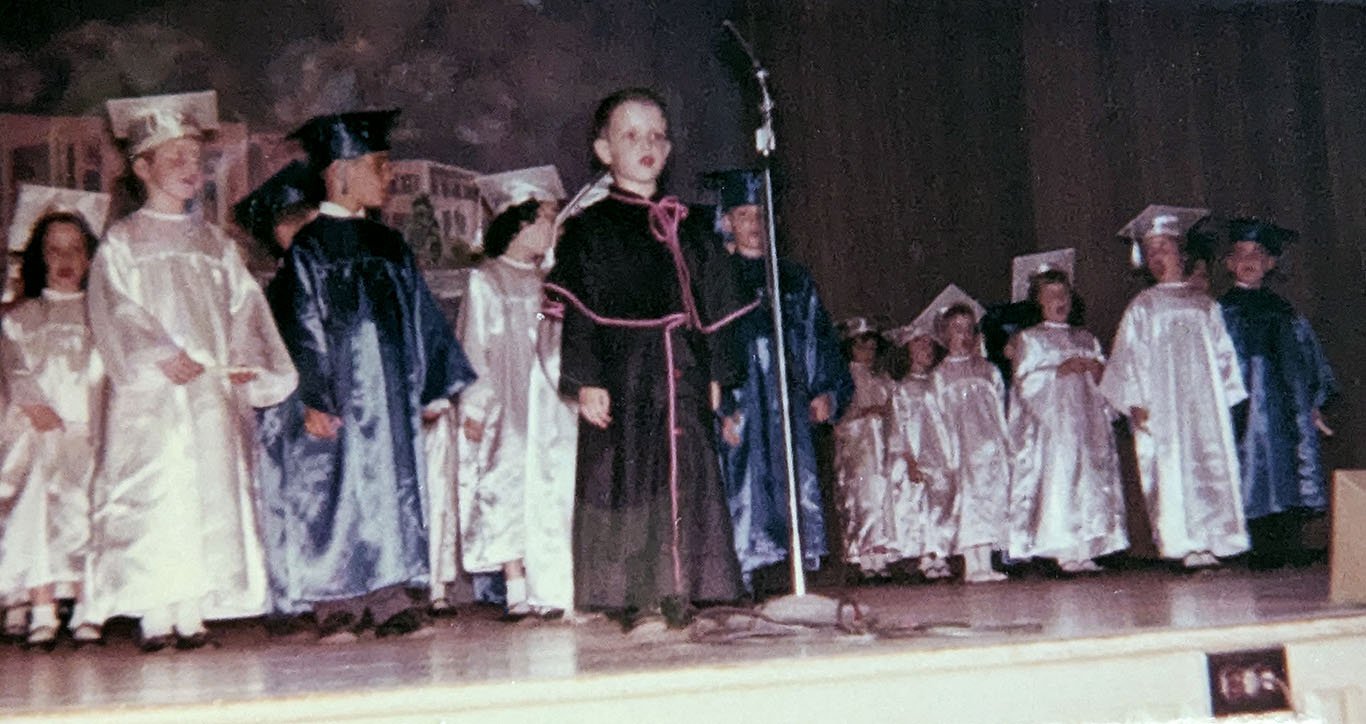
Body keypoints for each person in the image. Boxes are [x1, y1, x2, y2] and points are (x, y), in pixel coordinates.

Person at [82, 90, 299, 651]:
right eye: (172, 158)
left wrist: (248, 361)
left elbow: (244, 306)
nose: (188, 169)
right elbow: (115, 307)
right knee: (156, 490)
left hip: (206, 388)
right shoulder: (124, 241)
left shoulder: (214, 243)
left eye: (194, 159)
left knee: (206, 488)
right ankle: (155, 609)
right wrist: (157, 351)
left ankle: (192, 609)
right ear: (142, 166)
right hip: (152, 393)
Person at [543, 88, 750, 630]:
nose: (647, 145)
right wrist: (586, 380)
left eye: (657, 135)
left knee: (690, 479)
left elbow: (713, 310)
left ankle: (684, 591)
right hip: (626, 374)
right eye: (631, 135)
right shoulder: (590, 230)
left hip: (684, 367)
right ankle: (636, 599)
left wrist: (717, 376)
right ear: (604, 150)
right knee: (631, 481)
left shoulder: (692, 226)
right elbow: (583, 312)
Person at [270, 109, 476, 641]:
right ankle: (336, 599)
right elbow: (300, 325)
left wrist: (433, 388)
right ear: (340, 172)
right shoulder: (311, 248)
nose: (388, 178)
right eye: (378, 167)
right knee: (334, 490)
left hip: (388, 397)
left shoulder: (390, 246)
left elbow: (421, 317)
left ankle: (388, 595)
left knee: (390, 488)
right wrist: (314, 395)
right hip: (335, 394)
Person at [706, 168, 852, 592]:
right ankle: (742, 573)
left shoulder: (793, 277)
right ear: (728, 221)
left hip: (787, 395)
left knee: (792, 474)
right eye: (744, 214)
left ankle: (792, 571)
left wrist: (824, 388)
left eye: (761, 214)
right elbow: (706, 344)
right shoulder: (717, 276)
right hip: (740, 397)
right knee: (742, 483)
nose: (754, 224)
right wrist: (717, 409)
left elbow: (816, 334)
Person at [457, 165, 577, 620]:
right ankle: (516, 586)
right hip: (508, 401)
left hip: (551, 400)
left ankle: (554, 580)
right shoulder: (486, 279)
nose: (551, 228)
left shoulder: (552, 281)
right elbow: (474, 345)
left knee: (551, 485)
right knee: (507, 483)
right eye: (544, 218)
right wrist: (475, 404)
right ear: (517, 223)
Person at [1100, 205, 1248, 569]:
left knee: (1209, 464)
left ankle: (1214, 539)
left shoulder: (1205, 304)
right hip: (1161, 403)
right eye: (1150, 252)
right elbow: (1128, 357)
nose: (1156, 257)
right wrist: (1135, 400)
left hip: (1204, 403)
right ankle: (1183, 543)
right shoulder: (1143, 306)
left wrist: (1225, 398)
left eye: (1164, 248)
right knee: (1172, 468)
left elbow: (1225, 357)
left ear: (1181, 252)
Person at [0, 187, 109, 648]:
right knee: (36, 512)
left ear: (90, 258)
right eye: (54, 250)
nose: (65, 259)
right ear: (40, 257)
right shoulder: (23, 315)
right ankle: (41, 601)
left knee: (88, 514)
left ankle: (88, 603)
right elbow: (13, 365)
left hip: (90, 429)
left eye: (75, 250)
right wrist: (33, 404)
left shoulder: (102, 314)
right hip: (39, 429)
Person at [230, 161, 322, 627]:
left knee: (307, 501)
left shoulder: (302, 280)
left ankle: (302, 593)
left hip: (307, 404)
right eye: (304, 224)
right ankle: (287, 596)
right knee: (286, 499)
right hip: (286, 409)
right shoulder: (284, 287)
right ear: (283, 232)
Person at [1217, 219, 1336, 569]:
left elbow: (1309, 360)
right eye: (1240, 254)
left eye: (1258, 254)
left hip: (1284, 408)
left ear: (1271, 264)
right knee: (1247, 468)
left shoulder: (1284, 312)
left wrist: (1314, 405)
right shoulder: (1219, 311)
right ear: (1228, 264)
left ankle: (1286, 543)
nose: (1249, 260)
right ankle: (1251, 546)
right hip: (1240, 407)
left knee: (1286, 468)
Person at [1007, 267, 1128, 573]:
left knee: (1091, 480)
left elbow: (1109, 379)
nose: (1059, 300)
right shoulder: (1030, 339)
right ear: (1039, 301)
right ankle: (1063, 550)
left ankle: (1087, 549)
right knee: (1062, 479)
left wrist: (1098, 370)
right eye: (1050, 296)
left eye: (1063, 294)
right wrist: (1059, 370)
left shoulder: (1086, 337)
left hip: (1089, 422)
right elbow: (1024, 382)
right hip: (1056, 425)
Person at [930, 288, 1012, 583]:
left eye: (968, 329)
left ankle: (986, 562)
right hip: (960, 449)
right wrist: (946, 455)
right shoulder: (939, 375)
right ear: (944, 334)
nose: (963, 336)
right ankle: (971, 563)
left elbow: (1001, 408)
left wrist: (1005, 444)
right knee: (967, 502)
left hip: (989, 448)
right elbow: (936, 418)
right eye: (956, 329)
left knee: (990, 499)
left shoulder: (988, 369)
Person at [885, 320, 957, 580]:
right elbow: (897, 430)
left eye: (929, 343)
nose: (926, 348)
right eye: (919, 342)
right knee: (920, 505)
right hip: (915, 455)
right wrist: (908, 460)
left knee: (940, 504)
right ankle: (925, 556)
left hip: (940, 455)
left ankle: (940, 552)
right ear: (907, 350)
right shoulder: (902, 389)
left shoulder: (939, 383)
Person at [832, 317, 897, 579]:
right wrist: (864, 414)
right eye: (861, 348)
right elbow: (838, 417)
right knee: (861, 496)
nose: (867, 353)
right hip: (857, 445)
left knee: (881, 494)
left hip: (881, 444)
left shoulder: (882, 379)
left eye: (871, 348)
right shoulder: (844, 378)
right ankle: (862, 556)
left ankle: (880, 557)